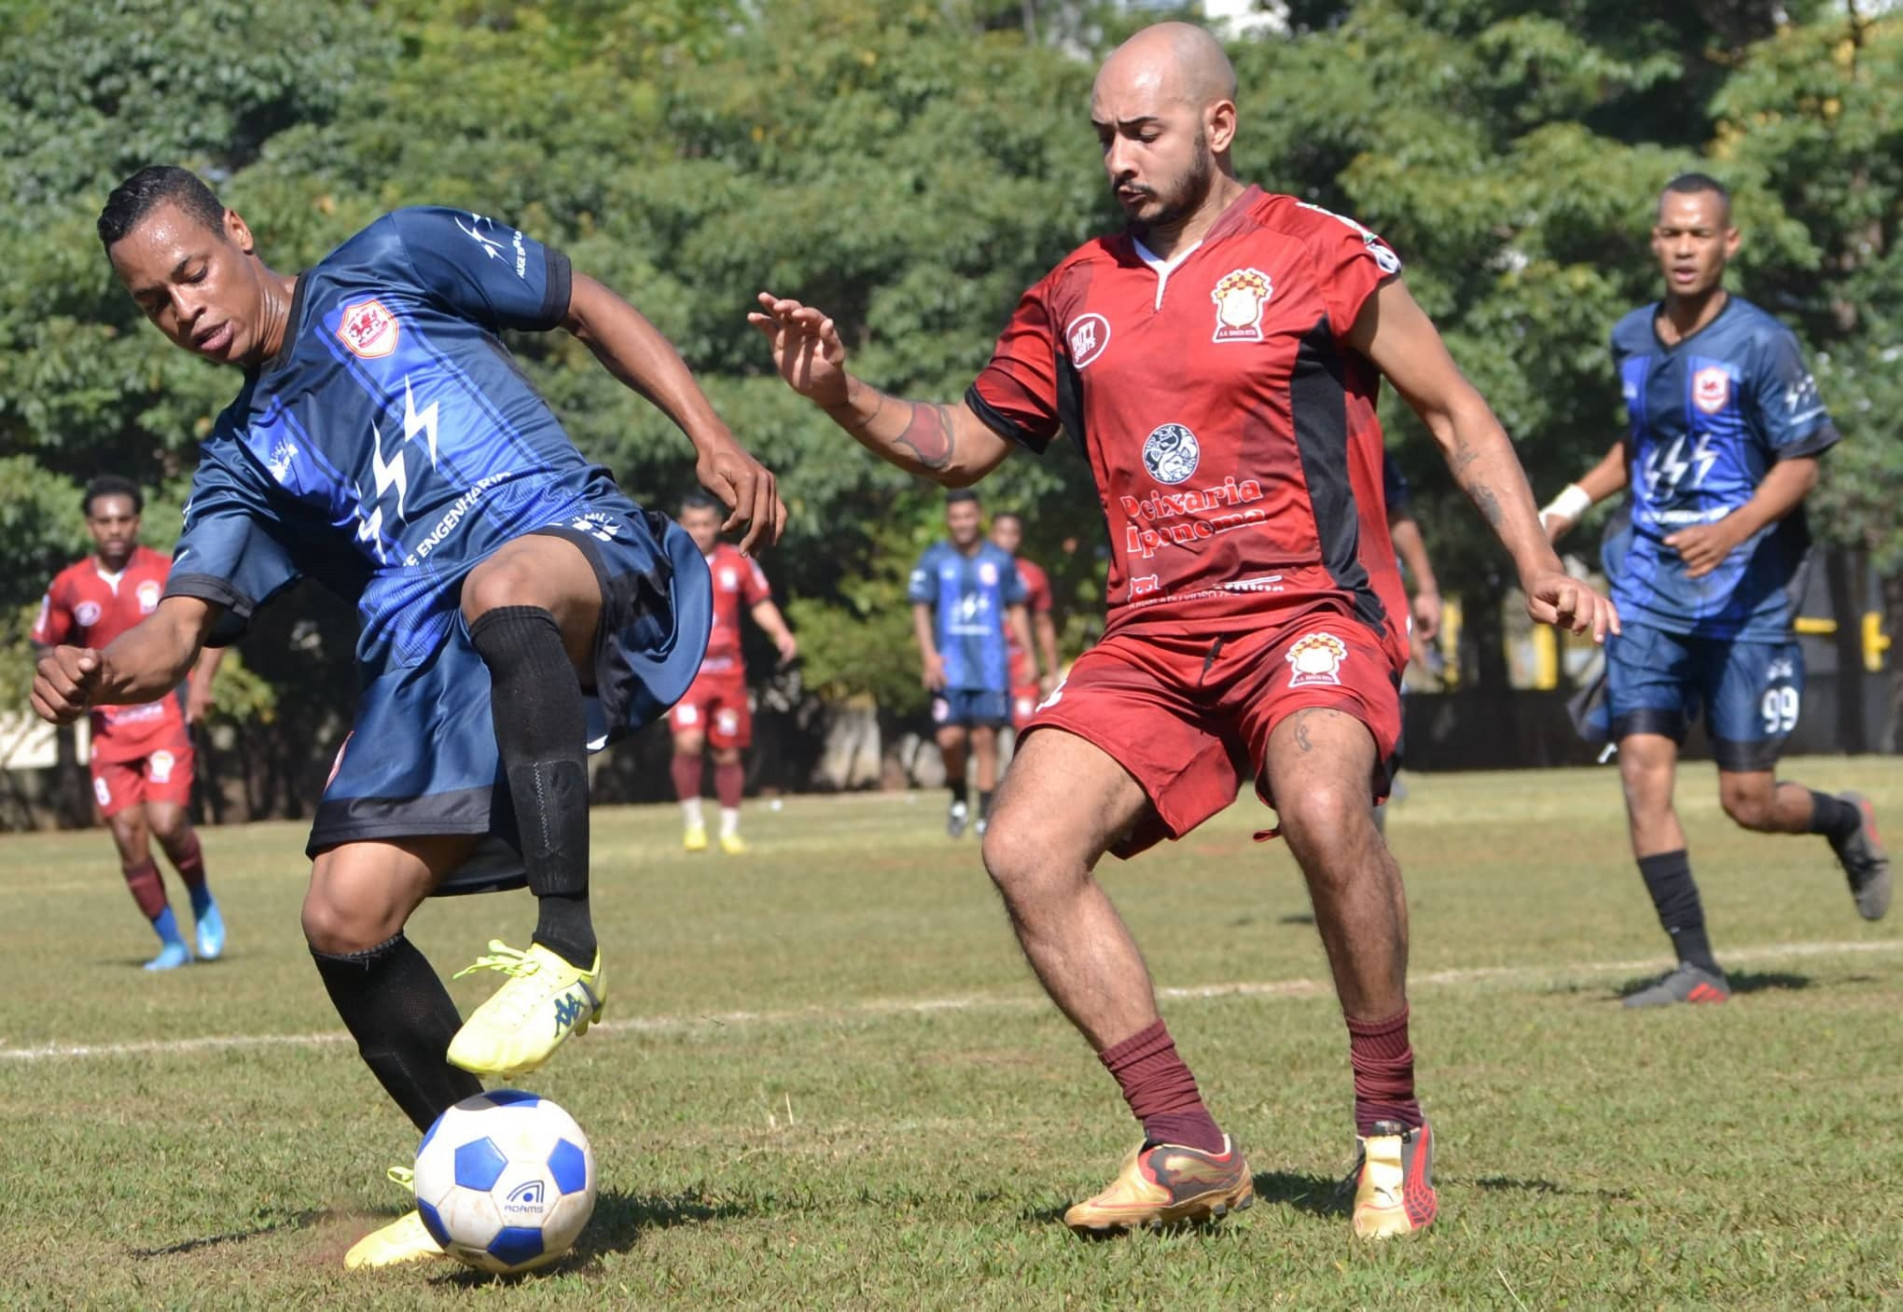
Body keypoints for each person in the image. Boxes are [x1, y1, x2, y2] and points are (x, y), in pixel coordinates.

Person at [752, 22, 1615, 1239]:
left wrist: (1535, 562)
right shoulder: (1071, 291)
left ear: (1218, 125)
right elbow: (963, 446)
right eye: (1104, 133)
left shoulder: (1318, 253)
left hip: (1308, 616)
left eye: (1142, 131)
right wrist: (838, 393)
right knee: (1023, 846)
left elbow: (1455, 411)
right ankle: (1184, 1143)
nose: (1117, 156)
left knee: (1324, 809)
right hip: (1156, 640)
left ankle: (1388, 1128)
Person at [31, 166, 782, 1269]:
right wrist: (100, 671)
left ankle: (566, 950)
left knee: (502, 588)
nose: (184, 309)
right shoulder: (242, 459)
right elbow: (178, 629)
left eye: (191, 272)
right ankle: (467, 1170)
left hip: (561, 534)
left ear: (237, 233)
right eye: (154, 302)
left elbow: (582, 299)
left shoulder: (391, 260)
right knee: (343, 915)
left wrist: (709, 433)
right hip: (430, 659)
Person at [1539, 173, 1889, 1009]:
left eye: (1699, 234)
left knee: (1748, 800)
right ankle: (1697, 966)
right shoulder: (1631, 337)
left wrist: (1731, 530)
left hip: (1745, 597)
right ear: (1653, 242)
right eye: (1670, 234)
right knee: (1641, 771)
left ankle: (1843, 821)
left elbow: (1801, 460)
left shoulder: (1761, 342)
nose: (1684, 247)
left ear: (1728, 243)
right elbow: (1639, 444)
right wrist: (1567, 504)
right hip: (1648, 590)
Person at [32, 474, 226, 970]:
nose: (115, 529)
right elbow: (46, 644)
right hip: (109, 729)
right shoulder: (69, 585)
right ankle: (171, 943)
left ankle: (201, 897)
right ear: (90, 527)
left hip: (163, 716)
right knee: (126, 834)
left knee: (166, 822)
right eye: (105, 521)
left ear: (137, 522)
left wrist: (200, 685)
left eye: (124, 519)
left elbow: (215, 628)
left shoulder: (168, 571)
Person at [668, 490, 798, 854]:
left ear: (718, 526)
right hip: (687, 675)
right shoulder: (668, 562)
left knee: (727, 752)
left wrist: (781, 633)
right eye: (693, 525)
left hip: (728, 674)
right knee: (688, 742)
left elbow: (760, 602)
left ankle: (729, 829)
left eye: (707, 524)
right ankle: (693, 825)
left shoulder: (736, 561)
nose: (700, 531)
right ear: (682, 525)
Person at [908, 489, 1035, 838]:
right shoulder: (934, 559)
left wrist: (1029, 654)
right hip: (950, 666)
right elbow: (920, 609)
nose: (962, 523)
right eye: (955, 517)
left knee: (985, 739)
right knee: (949, 738)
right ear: (948, 520)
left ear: (979, 516)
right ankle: (958, 796)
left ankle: (984, 814)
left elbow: (1018, 607)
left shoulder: (1000, 560)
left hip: (991, 666)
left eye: (968, 516)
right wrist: (929, 656)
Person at [1374, 455, 1441, 834]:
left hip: (1377, 603)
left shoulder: (1365, 439)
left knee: (1384, 725)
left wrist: (1427, 589)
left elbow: (1397, 515)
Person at [988, 511, 1061, 734]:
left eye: (1014, 533)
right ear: (991, 535)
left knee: (1024, 729)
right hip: (986, 661)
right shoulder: (975, 569)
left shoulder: (1031, 574)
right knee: (985, 733)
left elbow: (1043, 624)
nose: (1007, 539)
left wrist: (1052, 671)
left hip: (1021, 662)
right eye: (1002, 532)